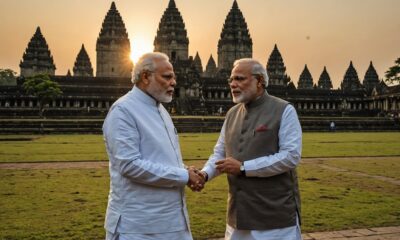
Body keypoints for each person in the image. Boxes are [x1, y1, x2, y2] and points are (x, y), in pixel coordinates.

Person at [102, 52, 204, 240]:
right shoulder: (123, 111)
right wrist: (183, 175)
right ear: (146, 77)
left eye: (174, 77)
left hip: (172, 221)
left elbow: (159, 157)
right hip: (139, 226)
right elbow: (129, 165)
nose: (173, 82)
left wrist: (185, 170)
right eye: (167, 77)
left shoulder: (160, 109)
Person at [200, 58, 302, 240]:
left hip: (274, 218)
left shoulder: (284, 110)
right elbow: (220, 153)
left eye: (240, 79)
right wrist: (205, 174)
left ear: (260, 81)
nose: (233, 84)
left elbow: (290, 156)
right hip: (238, 215)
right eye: (231, 80)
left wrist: (244, 167)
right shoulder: (231, 114)